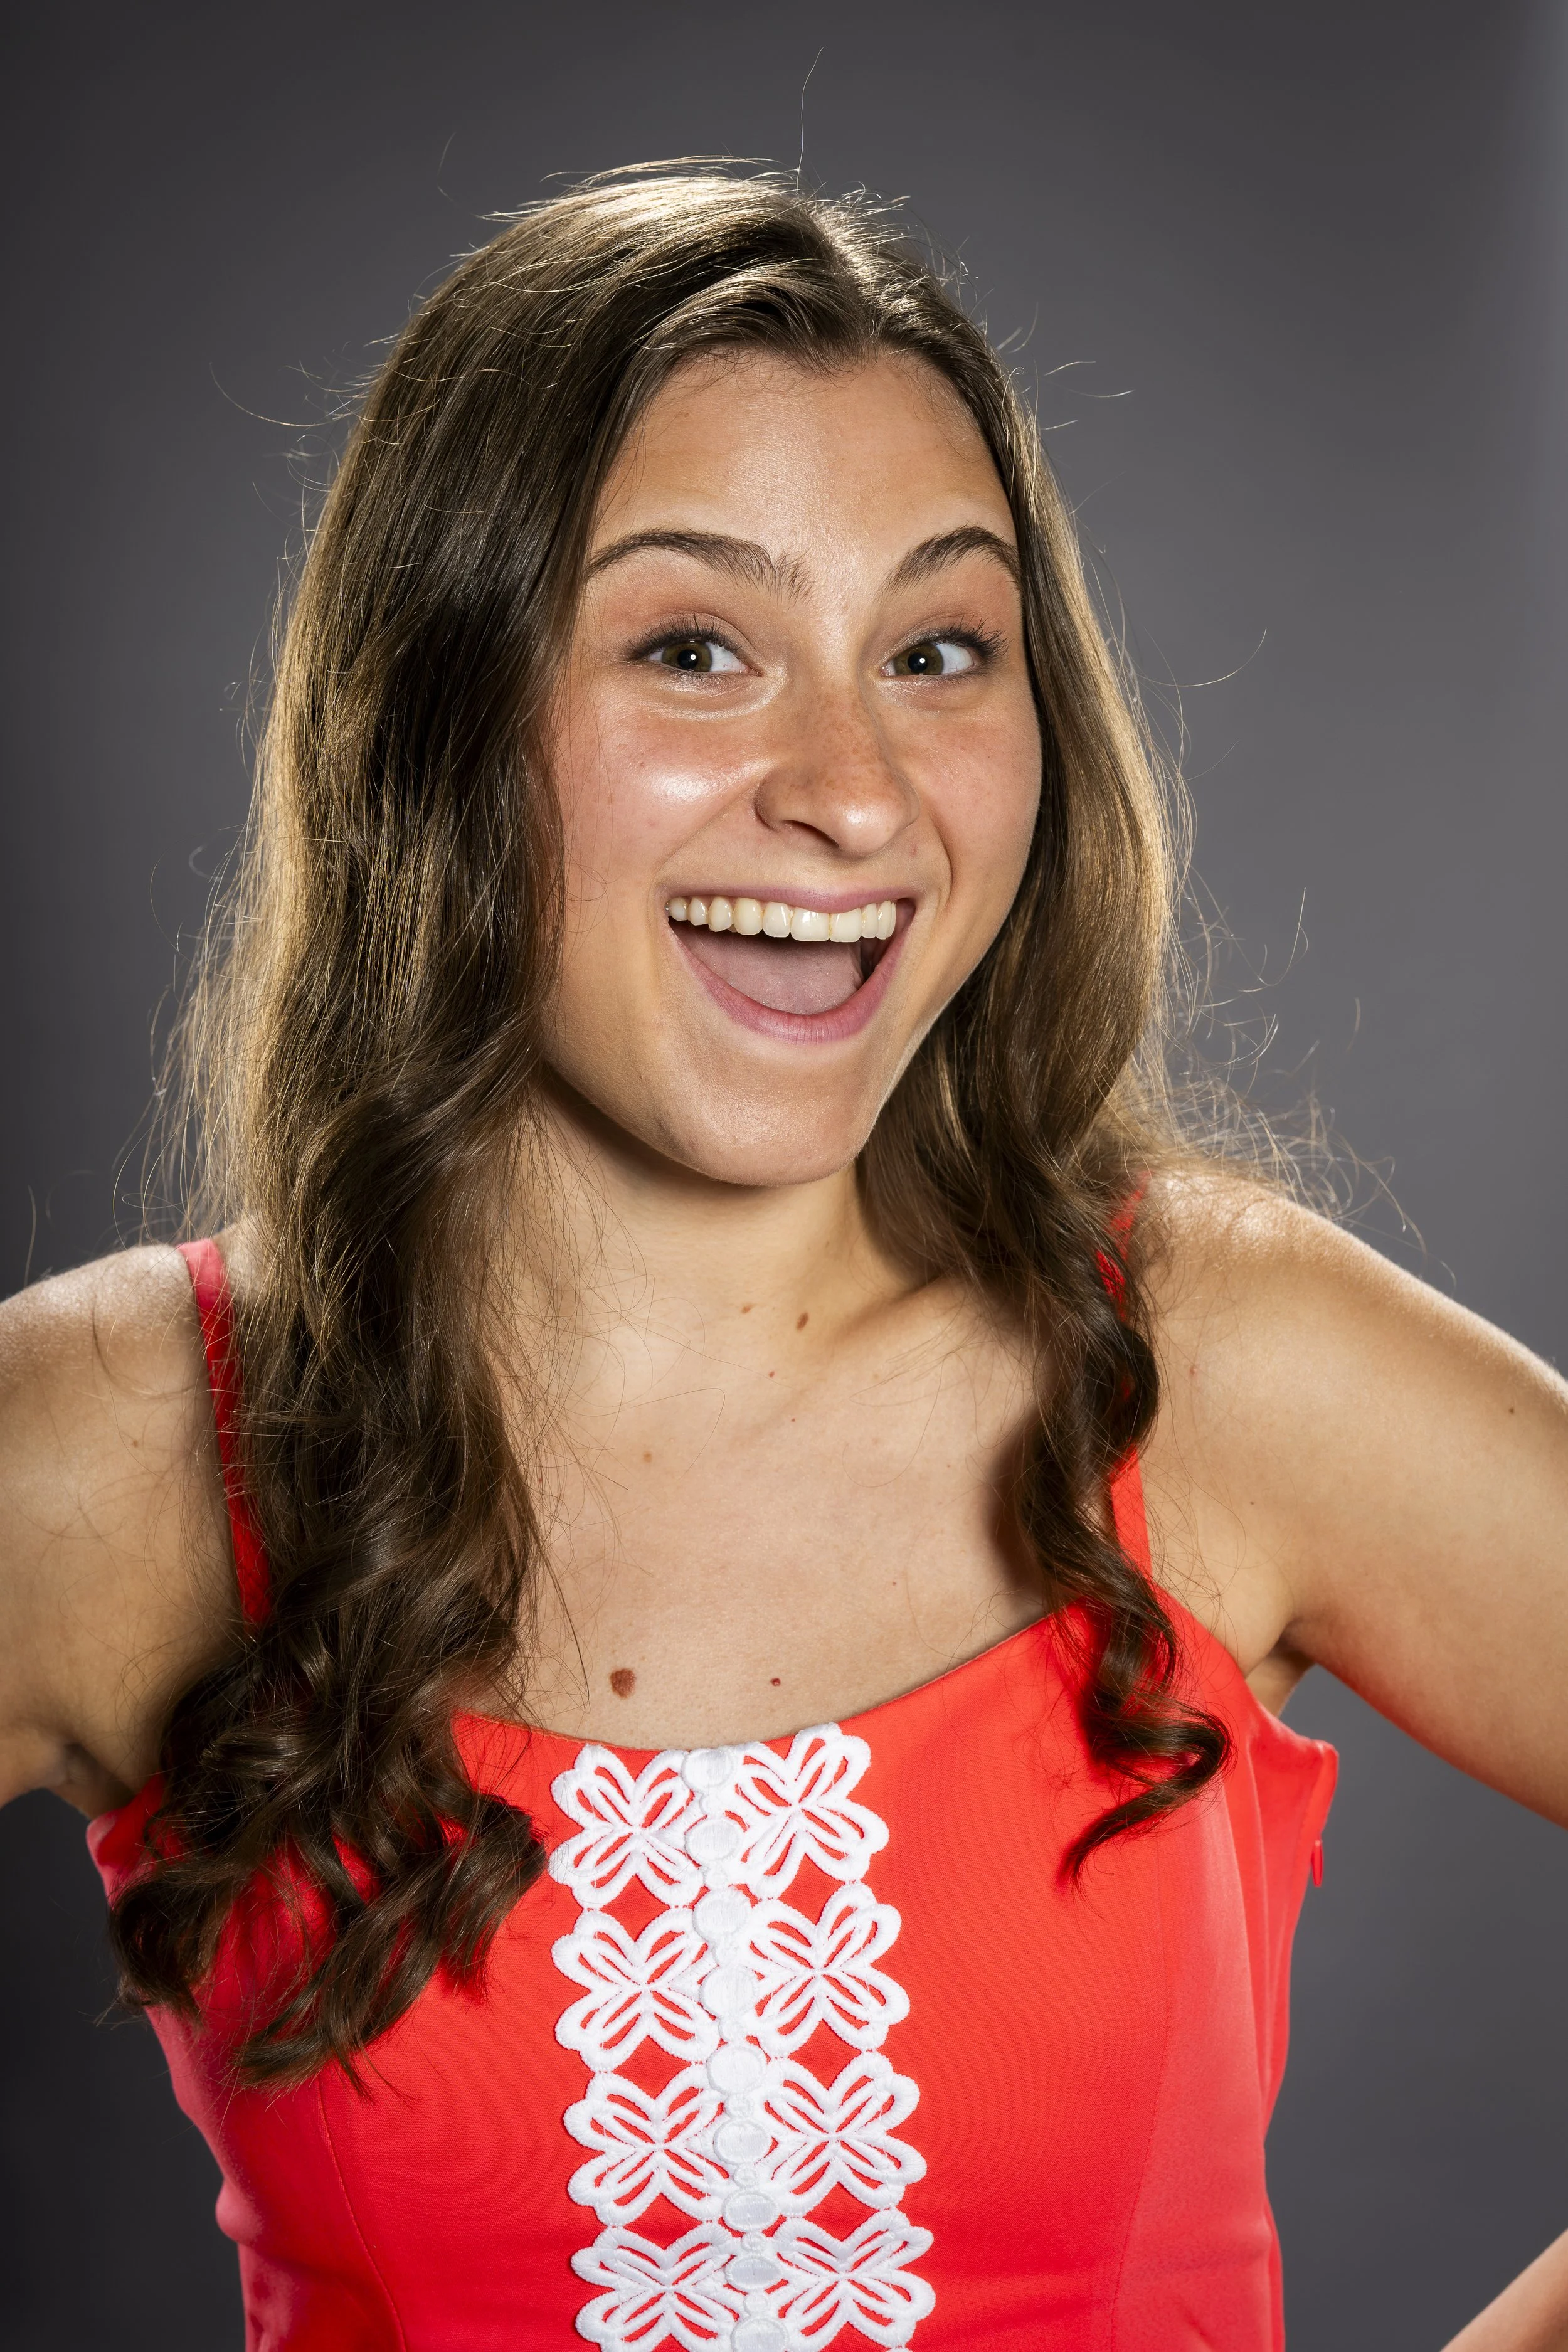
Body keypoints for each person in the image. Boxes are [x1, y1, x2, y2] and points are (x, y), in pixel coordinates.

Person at [1, 166, 1564, 2352]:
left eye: (938, 650)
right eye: (692, 649)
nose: (854, 794)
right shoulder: (118, 1442)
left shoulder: (1213, 1362)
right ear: (430, 721)